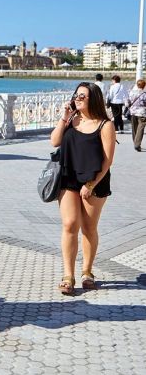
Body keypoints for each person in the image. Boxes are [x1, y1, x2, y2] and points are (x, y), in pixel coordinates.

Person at [50, 82, 115, 295]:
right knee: (70, 224)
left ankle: (87, 271)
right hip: (68, 177)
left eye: (82, 96)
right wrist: (63, 117)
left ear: (93, 99)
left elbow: (107, 161)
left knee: (88, 227)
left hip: (94, 180)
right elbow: (54, 141)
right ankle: (68, 275)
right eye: (76, 95)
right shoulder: (71, 119)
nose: (77, 99)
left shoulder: (105, 125)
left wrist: (91, 184)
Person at [128, 79, 146, 151]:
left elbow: (127, 102)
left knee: (134, 128)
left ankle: (135, 142)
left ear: (137, 85)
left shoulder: (131, 92)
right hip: (142, 113)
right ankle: (137, 144)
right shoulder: (144, 94)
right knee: (140, 128)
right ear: (144, 85)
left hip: (133, 112)